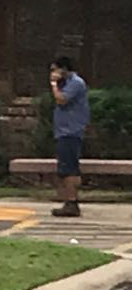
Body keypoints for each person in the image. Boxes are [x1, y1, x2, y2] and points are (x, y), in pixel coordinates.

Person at [49, 55, 90, 218]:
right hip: (63, 131)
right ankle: (68, 200)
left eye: (55, 70)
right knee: (65, 168)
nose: (53, 73)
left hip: (70, 132)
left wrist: (53, 84)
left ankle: (72, 202)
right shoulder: (66, 83)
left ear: (64, 69)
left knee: (69, 168)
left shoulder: (75, 83)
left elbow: (61, 100)